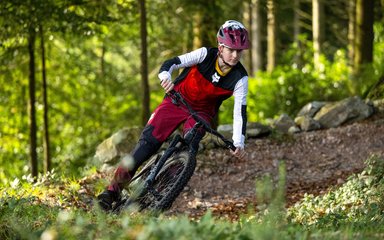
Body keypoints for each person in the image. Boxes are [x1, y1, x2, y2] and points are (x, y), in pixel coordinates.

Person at [97, 20, 250, 211]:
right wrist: (165, 77)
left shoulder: (240, 78)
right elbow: (172, 63)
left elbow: (240, 112)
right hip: (176, 100)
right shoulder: (204, 54)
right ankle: (111, 191)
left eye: (239, 51)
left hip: (201, 113)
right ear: (220, 47)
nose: (235, 55)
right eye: (231, 50)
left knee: (190, 143)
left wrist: (238, 142)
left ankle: (162, 188)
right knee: (146, 145)